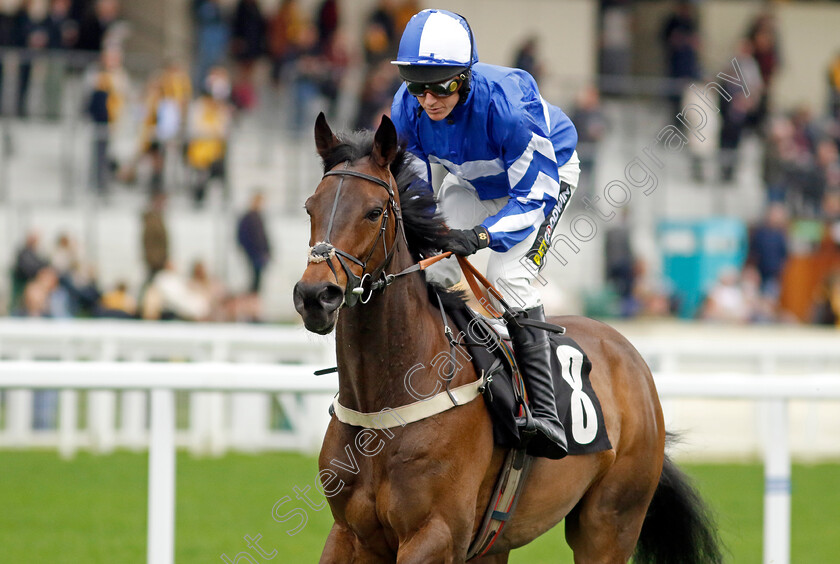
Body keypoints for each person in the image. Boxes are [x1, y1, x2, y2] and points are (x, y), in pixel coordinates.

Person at [390, 9, 580, 460]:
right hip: (473, 181)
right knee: (436, 271)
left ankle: (547, 416)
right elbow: (415, 187)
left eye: (442, 85)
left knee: (509, 278)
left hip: (543, 178)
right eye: (418, 86)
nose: (429, 99)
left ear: (466, 76)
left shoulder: (507, 107)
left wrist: (479, 236)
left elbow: (534, 195)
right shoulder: (407, 107)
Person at [237, 191, 271, 296]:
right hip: (253, 254)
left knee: (257, 280)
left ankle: (254, 302)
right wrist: (249, 250)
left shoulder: (258, 217)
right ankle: (251, 303)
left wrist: (268, 250)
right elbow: (242, 236)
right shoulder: (248, 217)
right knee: (254, 280)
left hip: (259, 254)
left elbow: (263, 237)